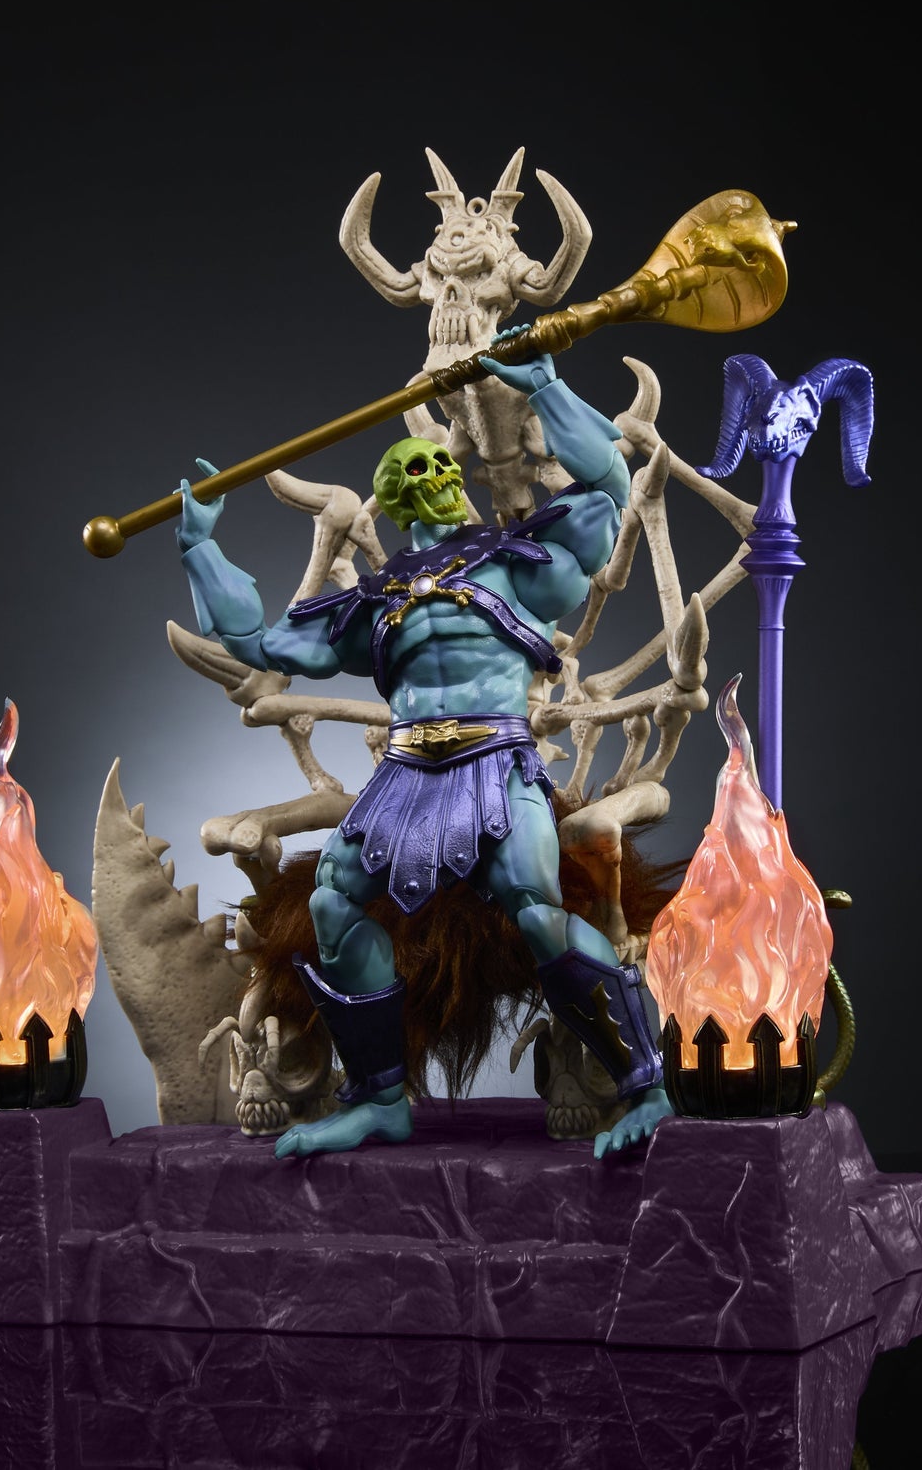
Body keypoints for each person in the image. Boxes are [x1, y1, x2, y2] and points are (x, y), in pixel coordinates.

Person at [177, 327, 671, 1159]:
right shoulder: (374, 602)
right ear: (396, 502)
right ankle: (380, 1098)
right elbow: (260, 644)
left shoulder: (516, 563)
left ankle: (644, 1084)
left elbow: (607, 488)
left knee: (538, 913)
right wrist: (200, 549)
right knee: (333, 904)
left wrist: (546, 386)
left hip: (496, 761)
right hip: (407, 774)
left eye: (439, 465)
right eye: (413, 471)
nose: (433, 476)